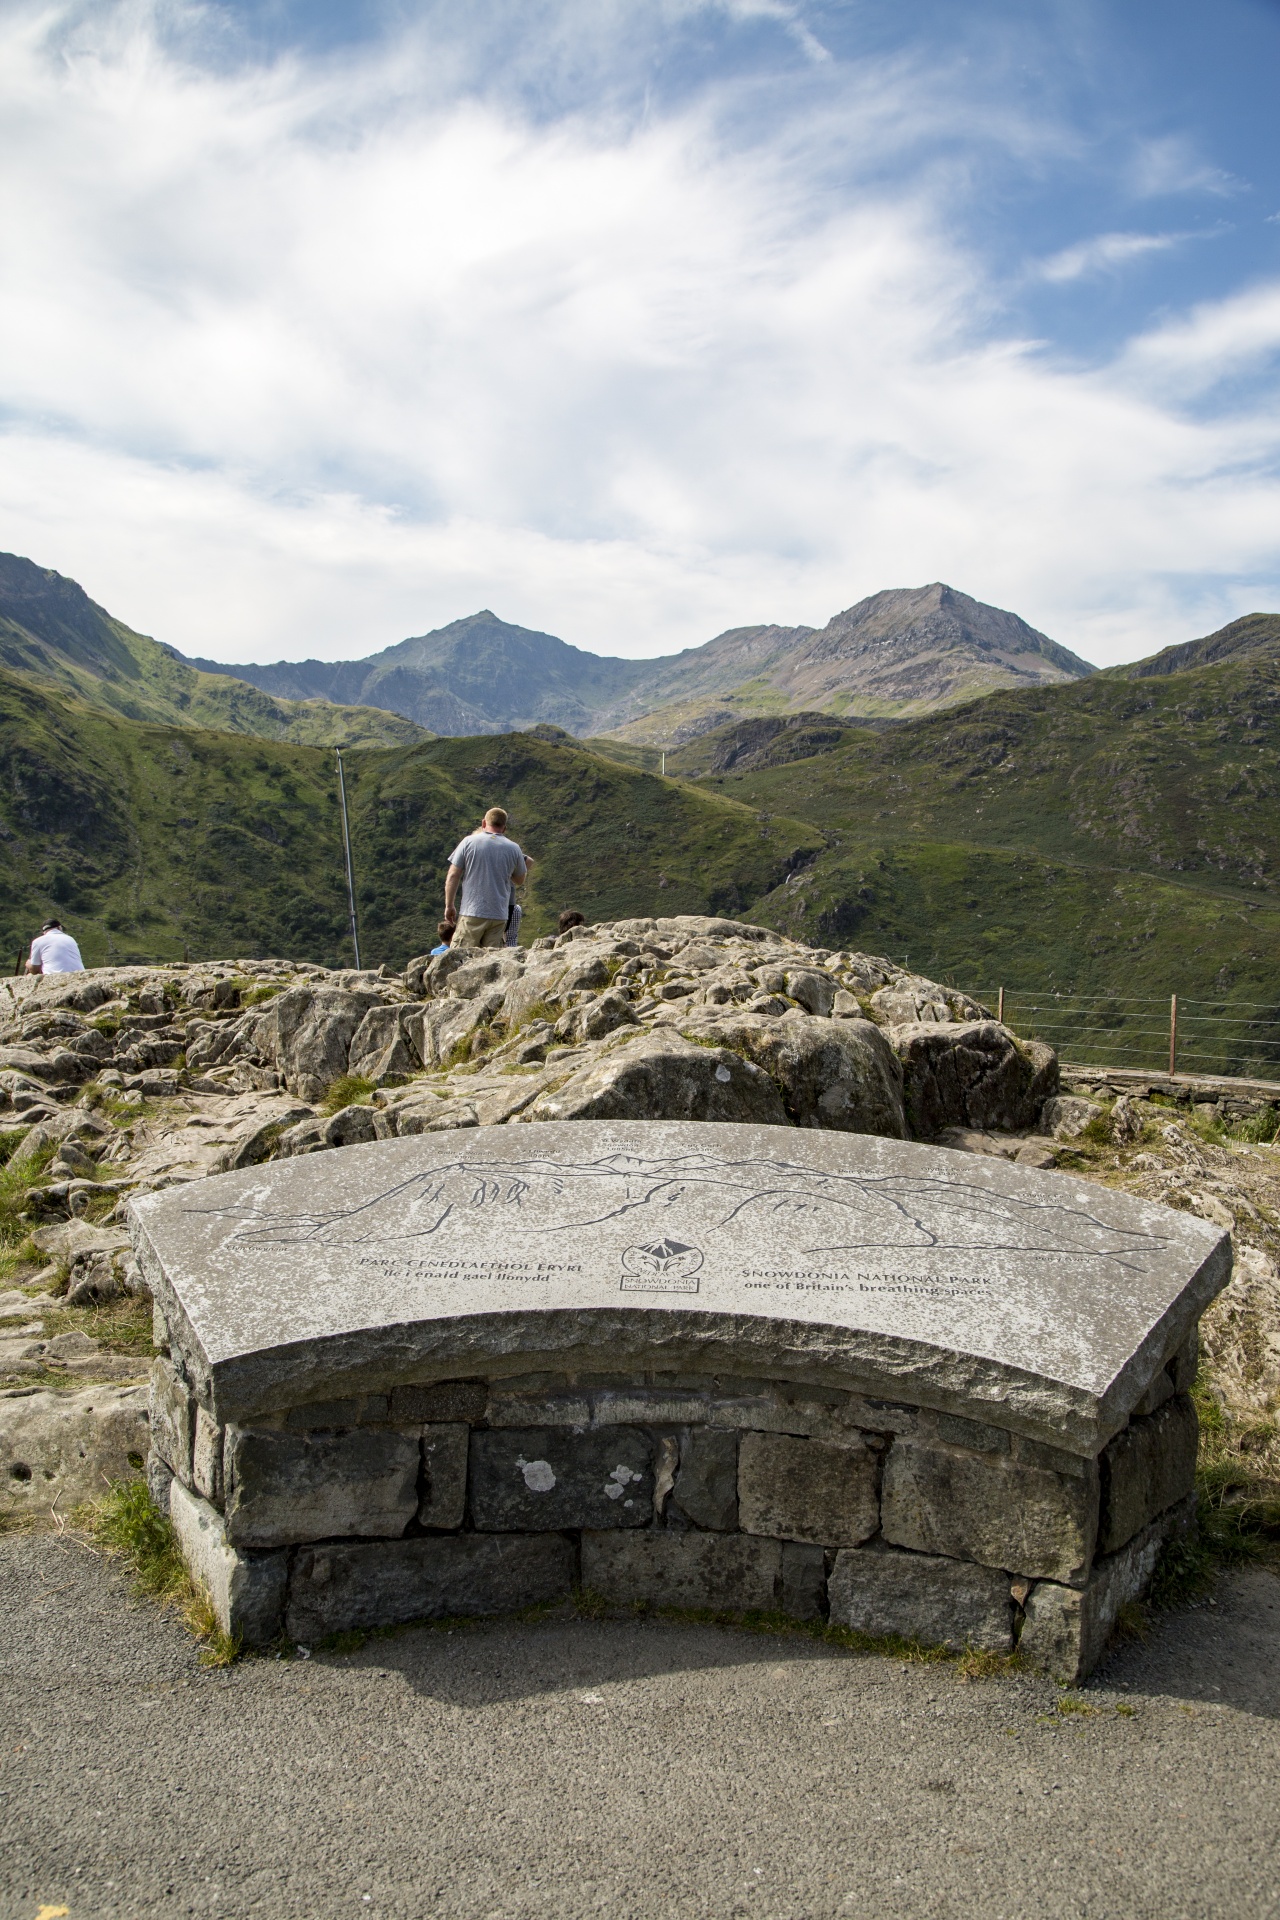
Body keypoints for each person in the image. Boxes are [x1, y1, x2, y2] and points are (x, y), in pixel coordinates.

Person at [444, 807, 528, 950]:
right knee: (490, 962)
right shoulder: (514, 848)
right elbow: (520, 880)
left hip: (472, 912)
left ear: (484, 823)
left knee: (461, 958)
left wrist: (449, 905)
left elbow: (453, 875)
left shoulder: (468, 842)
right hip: (499, 915)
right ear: (504, 828)